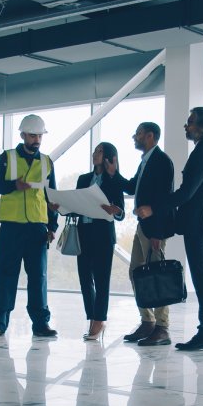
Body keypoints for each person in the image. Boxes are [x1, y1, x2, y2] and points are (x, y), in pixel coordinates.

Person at [134, 107, 203, 351]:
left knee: (202, 278)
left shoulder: (201, 153)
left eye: (190, 122)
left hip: (196, 224)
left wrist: (153, 208)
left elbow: (185, 193)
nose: (186, 126)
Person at [0, 114, 59, 339]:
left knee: (38, 277)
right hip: (11, 227)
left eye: (39, 136)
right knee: (5, 276)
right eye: (33, 135)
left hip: (37, 228)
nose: (37, 139)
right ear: (23, 135)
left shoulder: (46, 162)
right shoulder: (7, 158)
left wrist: (52, 226)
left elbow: (50, 195)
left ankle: (41, 324)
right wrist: (13, 185)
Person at [115, 122, 176, 347]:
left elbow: (165, 198)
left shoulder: (161, 161)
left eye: (138, 134)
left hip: (155, 228)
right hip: (143, 225)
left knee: (157, 276)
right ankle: (147, 321)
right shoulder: (146, 161)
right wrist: (115, 174)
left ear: (150, 136)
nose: (135, 137)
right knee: (136, 273)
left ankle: (162, 327)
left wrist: (157, 231)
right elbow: (132, 188)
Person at [74, 142, 126, 341]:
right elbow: (77, 205)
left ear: (108, 157)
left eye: (99, 151)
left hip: (103, 236)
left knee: (102, 280)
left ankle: (99, 320)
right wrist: (60, 206)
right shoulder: (83, 179)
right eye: (94, 150)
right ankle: (93, 318)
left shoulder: (113, 180)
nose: (94, 154)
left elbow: (121, 210)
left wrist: (116, 211)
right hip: (83, 233)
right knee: (85, 279)